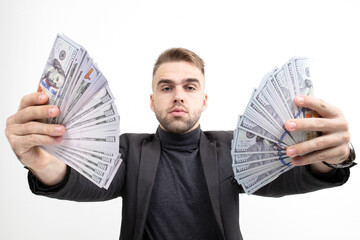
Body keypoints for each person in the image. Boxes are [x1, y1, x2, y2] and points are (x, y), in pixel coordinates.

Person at [5, 48, 356, 240]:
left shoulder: (234, 149)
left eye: (189, 87)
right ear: (153, 99)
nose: (178, 96)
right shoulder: (129, 151)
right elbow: (86, 181)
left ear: (204, 100)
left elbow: (294, 173)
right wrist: (40, 162)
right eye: (166, 86)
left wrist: (334, 156)